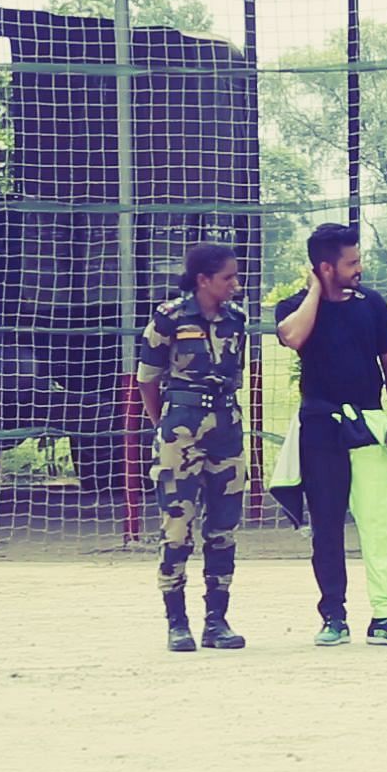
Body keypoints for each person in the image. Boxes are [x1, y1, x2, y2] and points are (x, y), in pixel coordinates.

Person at [270, 223, 387, 647]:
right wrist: (317, 291)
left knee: (378, 523)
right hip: (319, 427)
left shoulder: (371, 303)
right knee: (327, 527)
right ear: (325, 267)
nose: (359, 268)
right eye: (350, 262)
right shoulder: (294, 306)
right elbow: (294, 336)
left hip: (370, 424)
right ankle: (333, 617)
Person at [135, 244, 247, 653]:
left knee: (223, 528)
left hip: (226, 428)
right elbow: (147, 379)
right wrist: (163, 424)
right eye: (227, 278)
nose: (235, 284)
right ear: (203, 280)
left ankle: (216, 621)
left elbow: (234, 374)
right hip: (180, 428)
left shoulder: (237, 320)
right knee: (178, 527)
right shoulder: (169, 318)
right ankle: (176, 623)